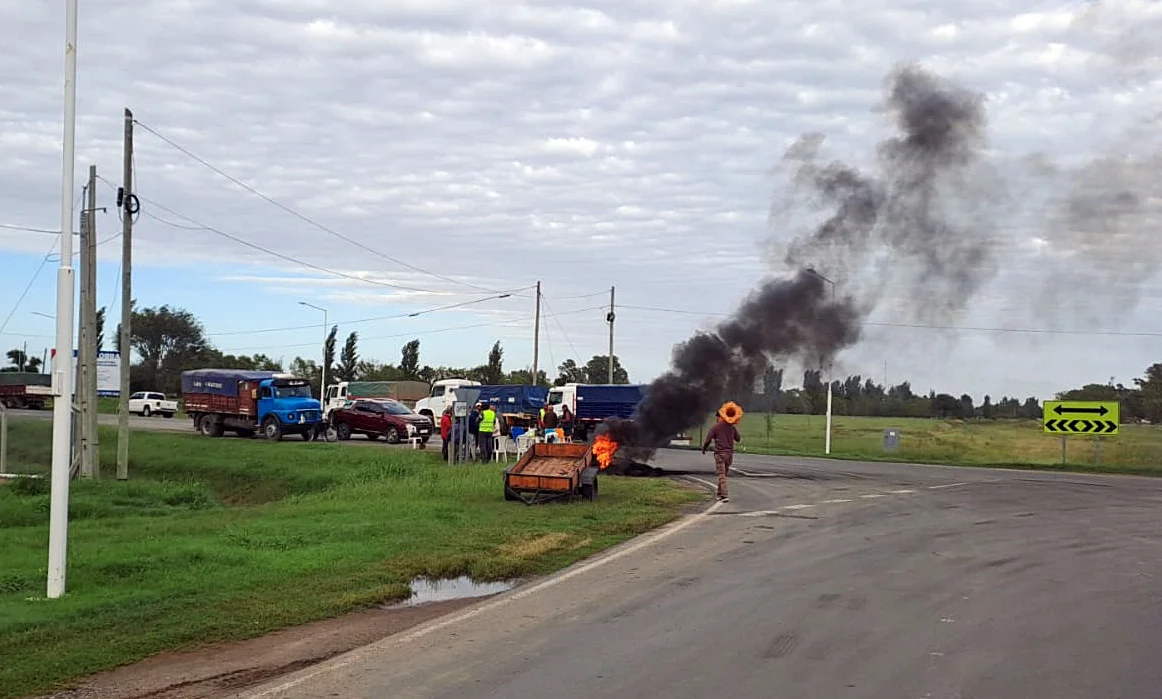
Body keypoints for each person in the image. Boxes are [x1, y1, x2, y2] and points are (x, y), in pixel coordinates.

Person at [702, 406, 741, 502]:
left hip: (720, 454)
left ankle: (724, 495)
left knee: (721, 475)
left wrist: (704, 449)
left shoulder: (715, 427)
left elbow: (708, 440)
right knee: (723, 475)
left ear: (720, 417)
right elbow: (738, 438)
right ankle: (719, 494)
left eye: (717, 417)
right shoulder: (732, 427)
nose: (716, 419)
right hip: (729, 455)